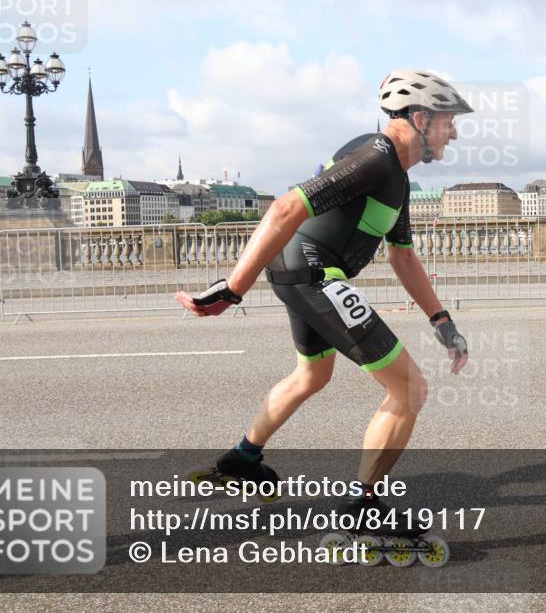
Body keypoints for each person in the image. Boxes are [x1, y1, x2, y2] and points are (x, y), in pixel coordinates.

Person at [176, 69, 471, 530]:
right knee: (410, 388)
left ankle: (243, 459)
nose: (453, 133)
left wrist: (441, 321)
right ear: (420, 118)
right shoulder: (376, 157)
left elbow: (403, 256)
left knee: (312, 374)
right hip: (314, 273)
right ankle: (363, 509)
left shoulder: (396, 174)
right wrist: (233, 289)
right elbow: (286, 208)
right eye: (448, 122)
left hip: (300, 272)